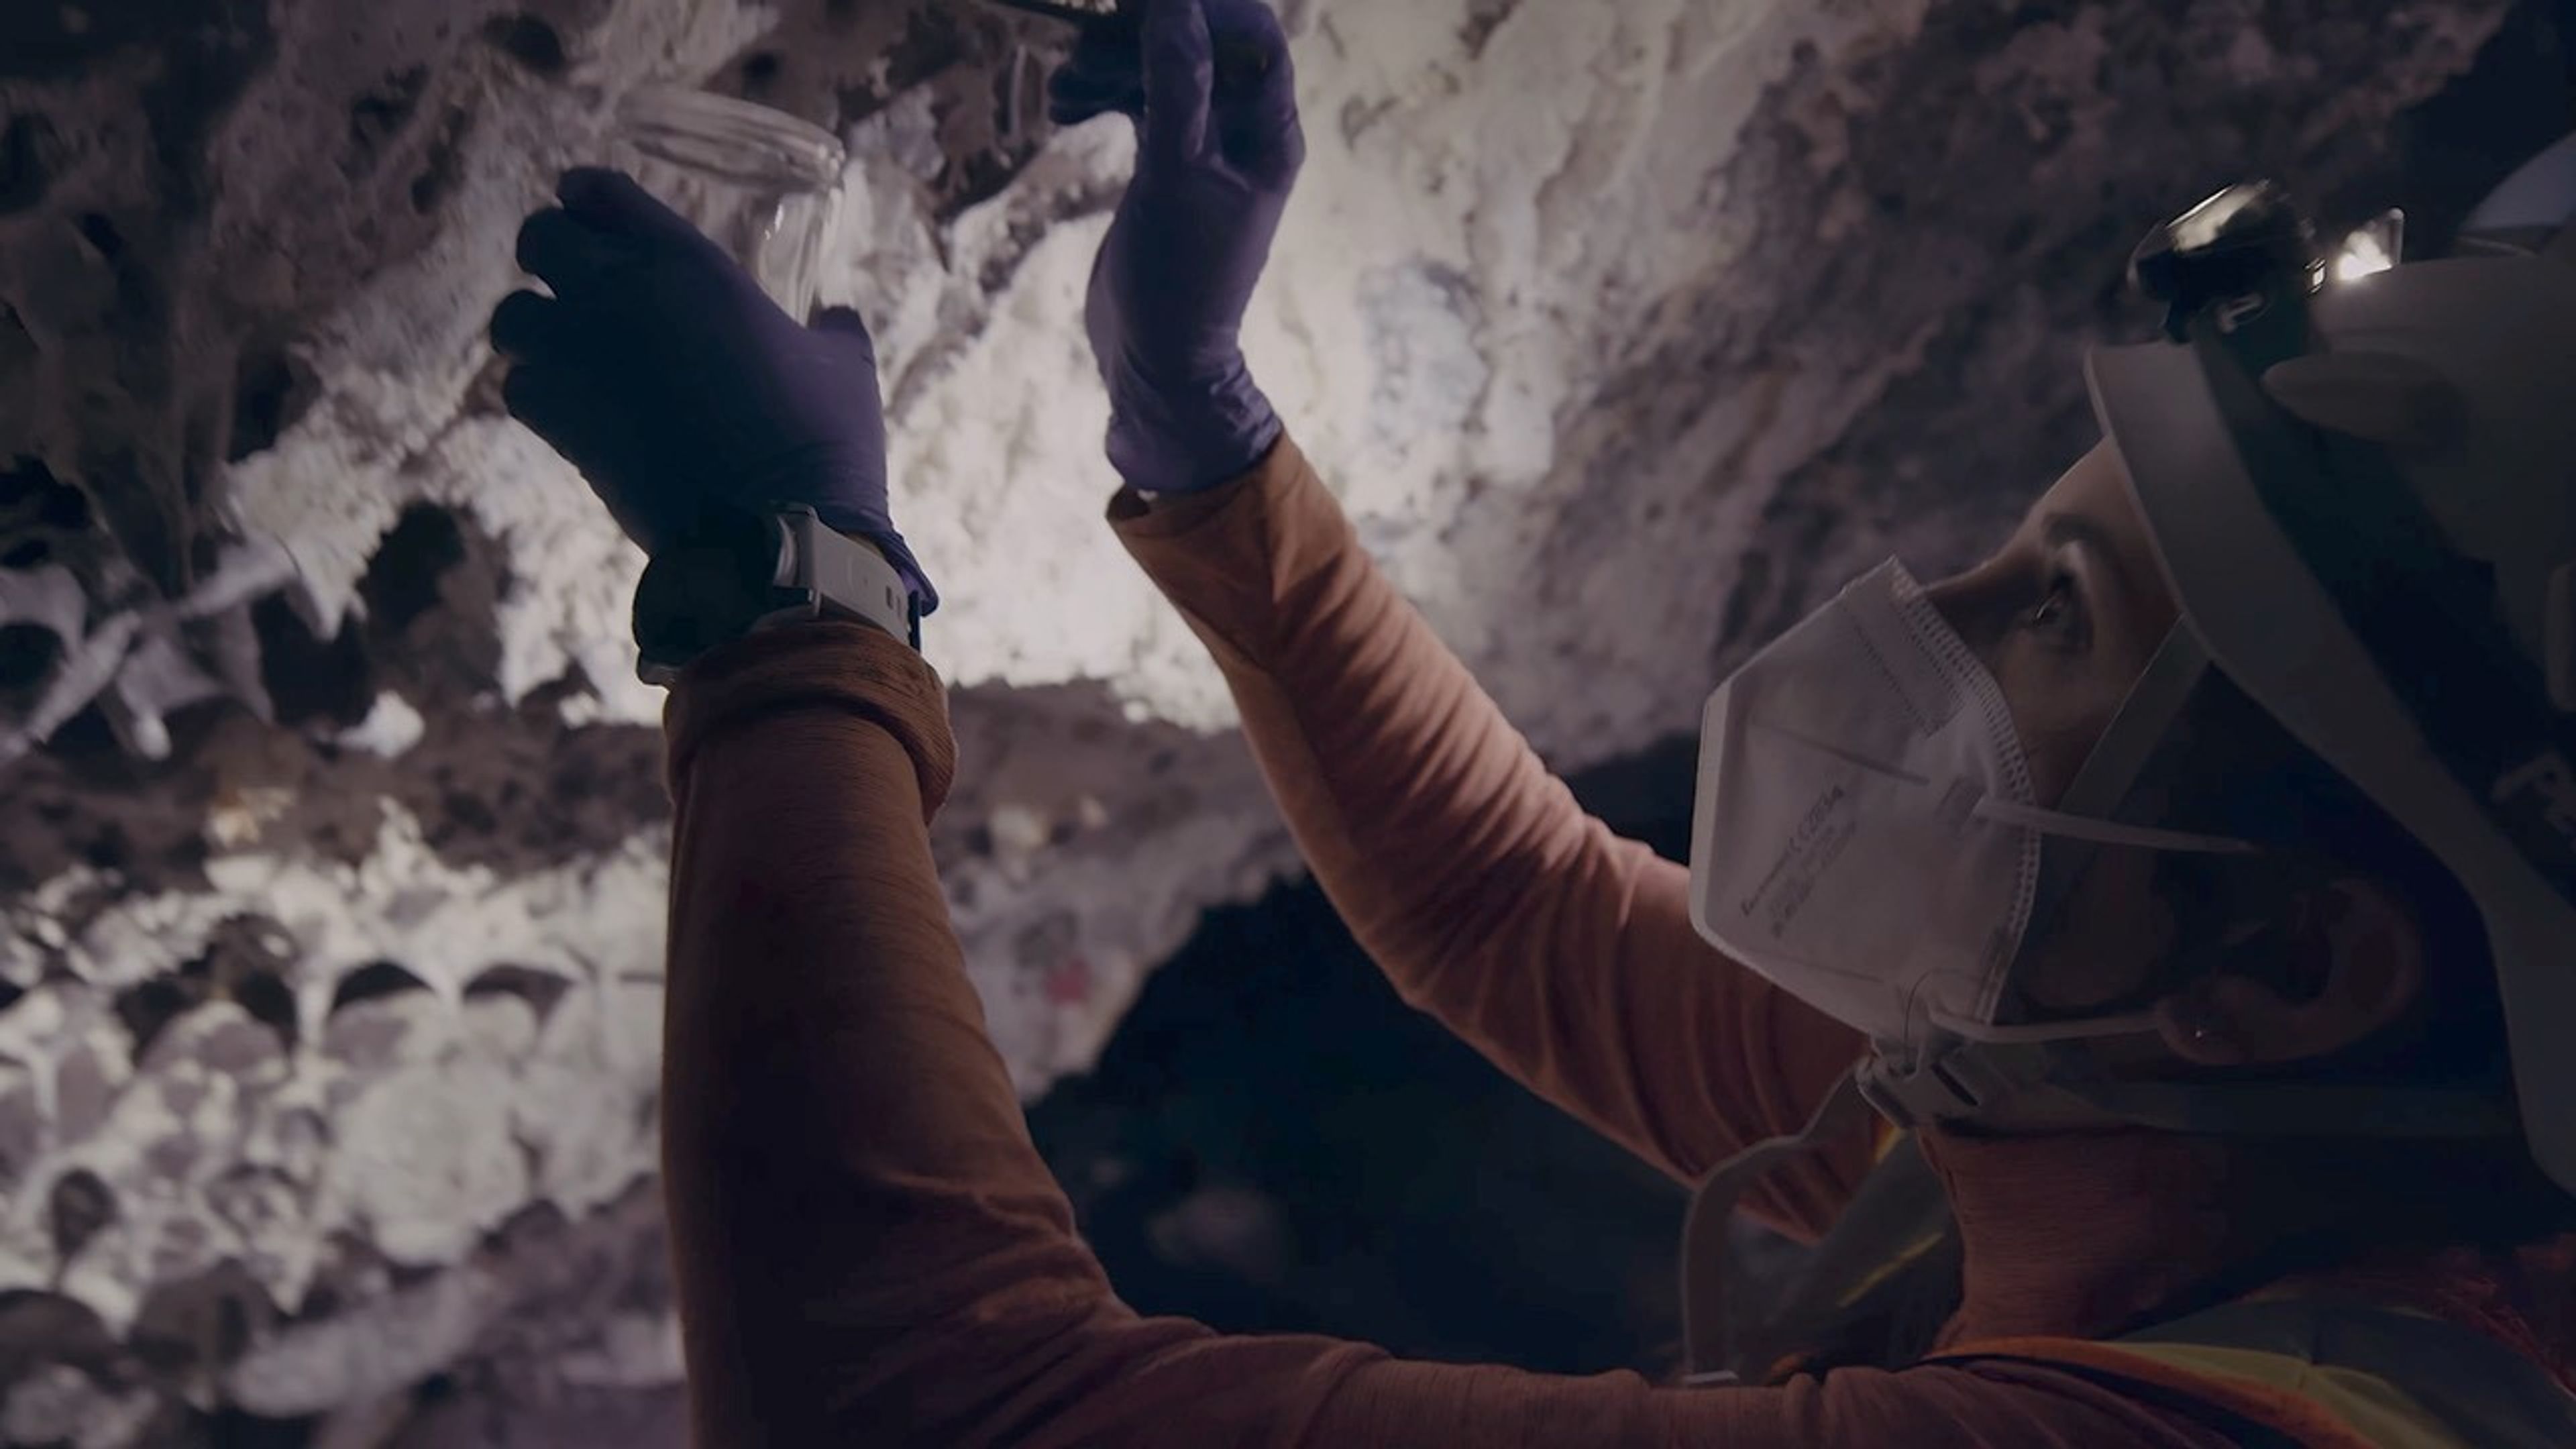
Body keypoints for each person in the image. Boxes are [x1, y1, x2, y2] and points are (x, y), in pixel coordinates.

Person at [487, 0, 2576, 1440]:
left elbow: (923, 1410)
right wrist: (1199, 431)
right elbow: (1523, 910)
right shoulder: (2208, 1136)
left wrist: (787, 598)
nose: (1933, 607)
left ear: (2298, 957)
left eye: (2061, 613)